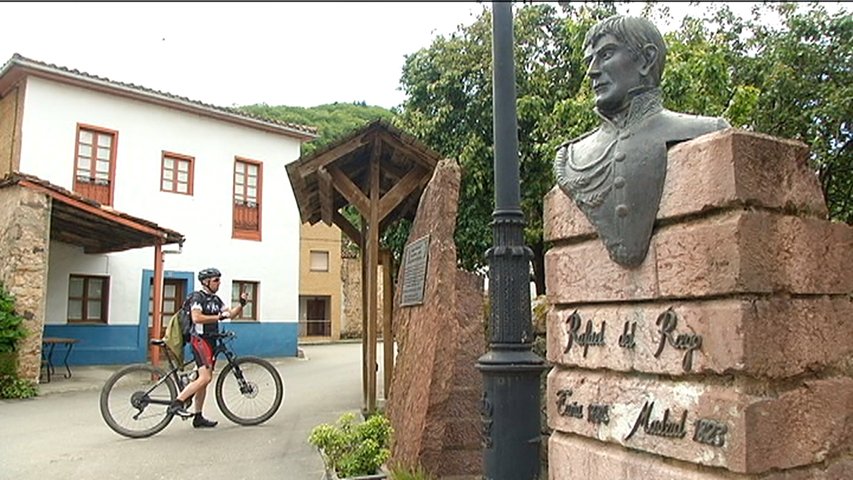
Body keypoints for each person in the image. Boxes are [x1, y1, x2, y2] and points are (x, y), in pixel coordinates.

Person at [553, 15, 730, 268]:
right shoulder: (571, 158)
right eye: (589, 60)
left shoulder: (707, 131)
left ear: (646, 59)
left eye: (606, 54)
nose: (592, 70)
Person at [168, 267, 248, 428]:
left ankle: (198, 417)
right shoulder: (197, 297)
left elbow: (230, 314)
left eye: (219, 280)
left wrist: (241, 304)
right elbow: (196, 317)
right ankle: (176, 403)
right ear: (206, 282)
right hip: (199, 340)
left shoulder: (216, 300)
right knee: (205, 378)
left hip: (211, 341)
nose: (219, 283)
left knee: (203, 381)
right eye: (216, 280)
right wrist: (218, 317)